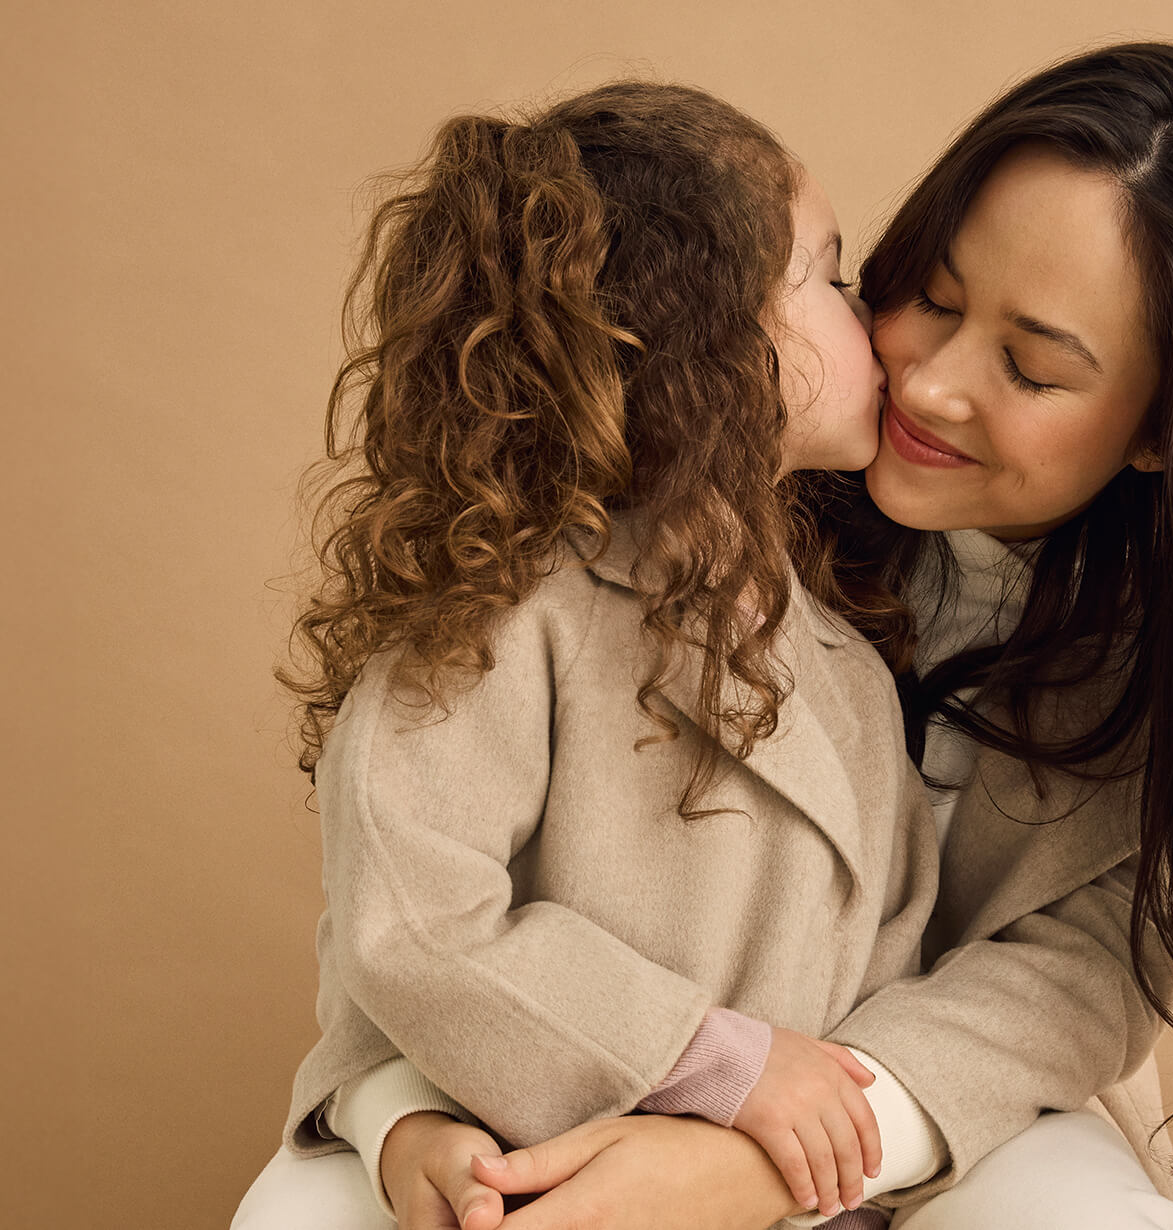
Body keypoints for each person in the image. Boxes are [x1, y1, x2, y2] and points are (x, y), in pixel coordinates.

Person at [370, 40, 1173, 1230]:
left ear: (1164, 429)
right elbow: (406, 867)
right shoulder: (697, 486)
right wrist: (396, 1116)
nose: (933, 383)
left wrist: (779, 1157)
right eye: (931, 299)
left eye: (1033, 368)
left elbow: (1075, 977)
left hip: (945, 1116)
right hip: (560, 1080)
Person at [231, 81, 956, 1230]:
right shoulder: (504, 612)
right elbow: (408, 920)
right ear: (705, 337)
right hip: (545, 1182)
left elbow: (893, 952)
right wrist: (712, 1060)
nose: (866, 313)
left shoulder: (843, 658)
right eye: (822, 273)